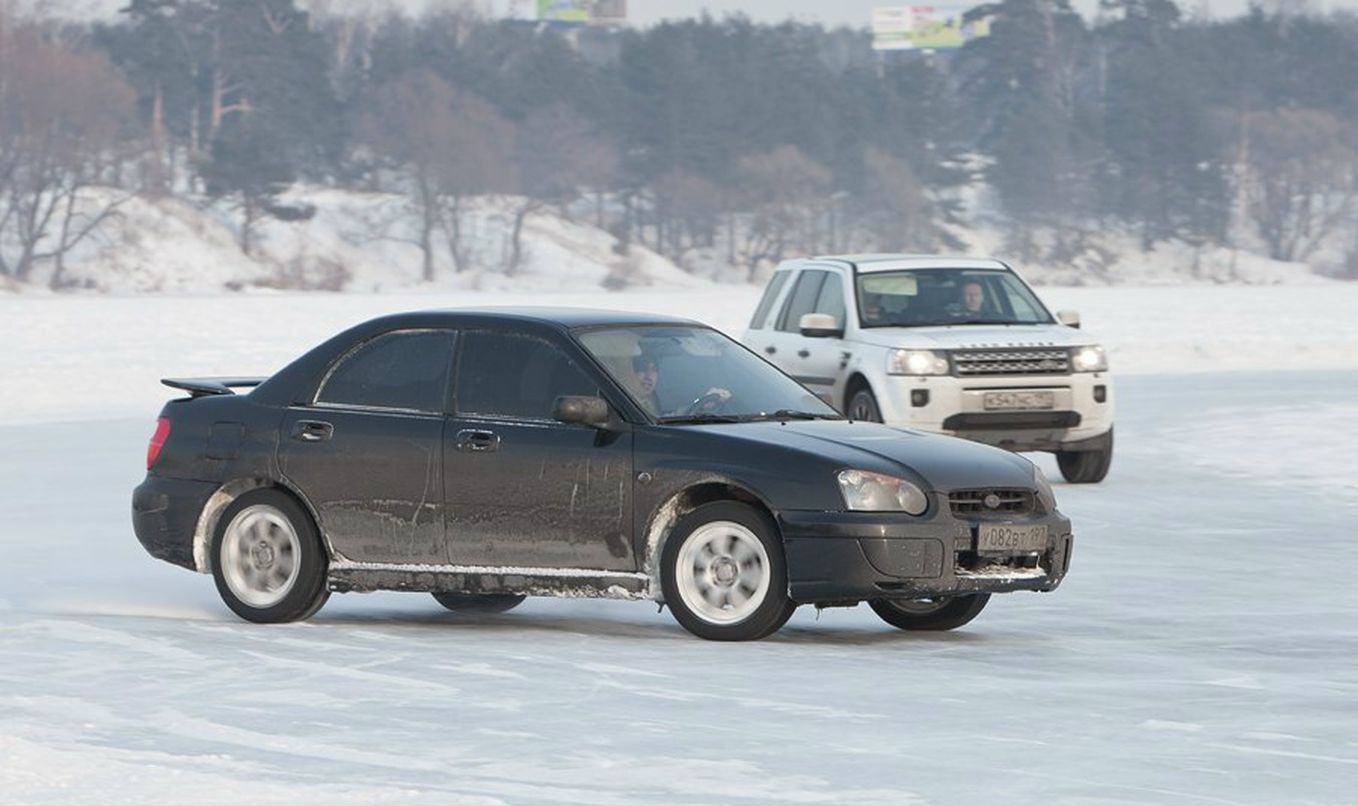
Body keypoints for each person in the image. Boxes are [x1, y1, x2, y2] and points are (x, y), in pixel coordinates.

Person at [628, 350, 731, 418]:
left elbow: (665, 420)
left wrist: (703, 406)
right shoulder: (624, 405)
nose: (649, 376)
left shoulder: (650, 401)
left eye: (654, 370)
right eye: (642, 369)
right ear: (628, 372)